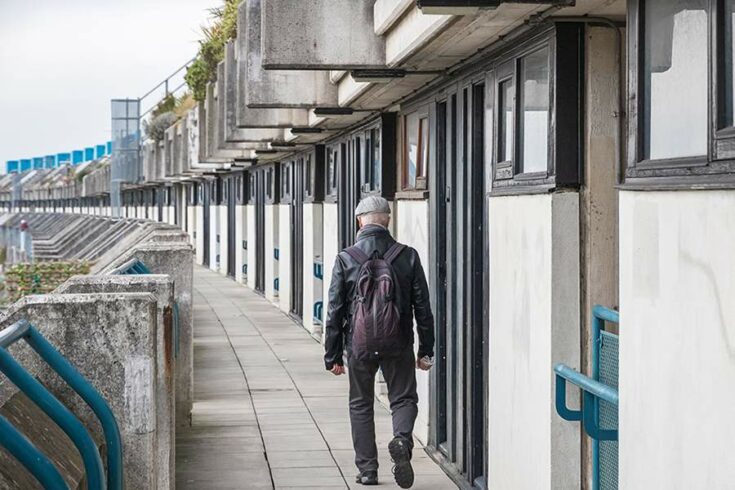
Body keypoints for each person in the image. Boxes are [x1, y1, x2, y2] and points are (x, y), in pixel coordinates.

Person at [324, 195, 435, 488]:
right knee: (404, 398)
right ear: (387, 219)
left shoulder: (346, 258)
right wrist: (426, 350)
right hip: (398, 341)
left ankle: (368, 471)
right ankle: (401, 440)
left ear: (360, 220)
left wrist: (332, 355)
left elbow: (334, 310)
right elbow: (423, 308)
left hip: (358, 345)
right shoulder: (407, 255)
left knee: (361, 404)